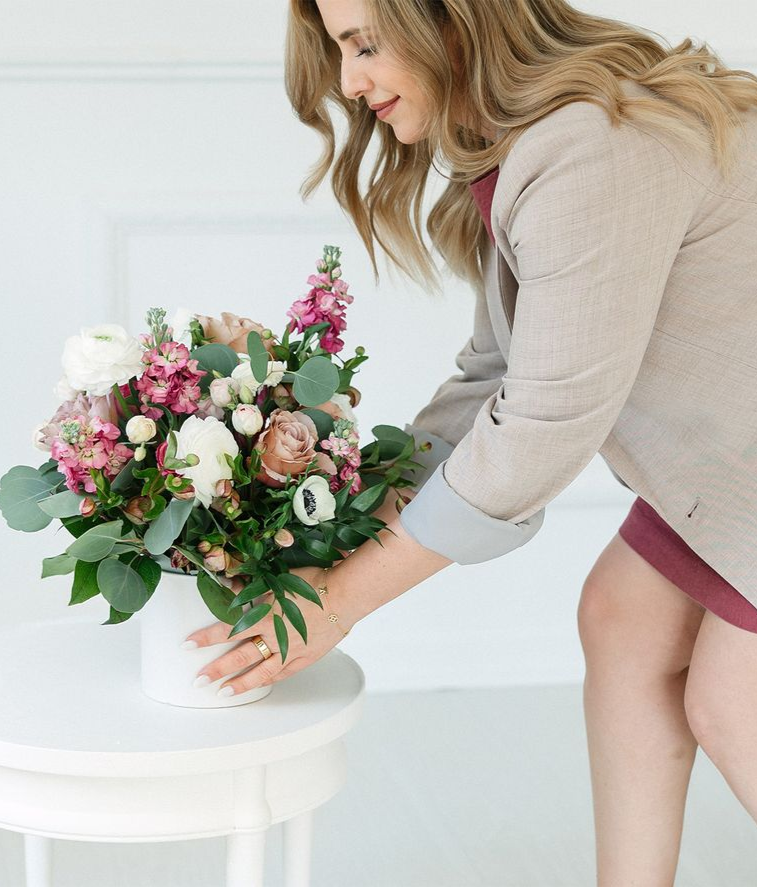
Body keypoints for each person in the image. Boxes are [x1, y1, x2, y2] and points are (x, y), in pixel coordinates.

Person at [184, 0, 757, 881]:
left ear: (453, 22)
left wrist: (339, 600)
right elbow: (495, 376)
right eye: (340, 51)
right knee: (622, 619)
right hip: (735, 462)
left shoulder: (589, 149)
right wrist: (332, 524)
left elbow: (536, 429)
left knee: (731, 696)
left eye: (365, 45)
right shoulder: (535, 140)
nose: (349, 81)